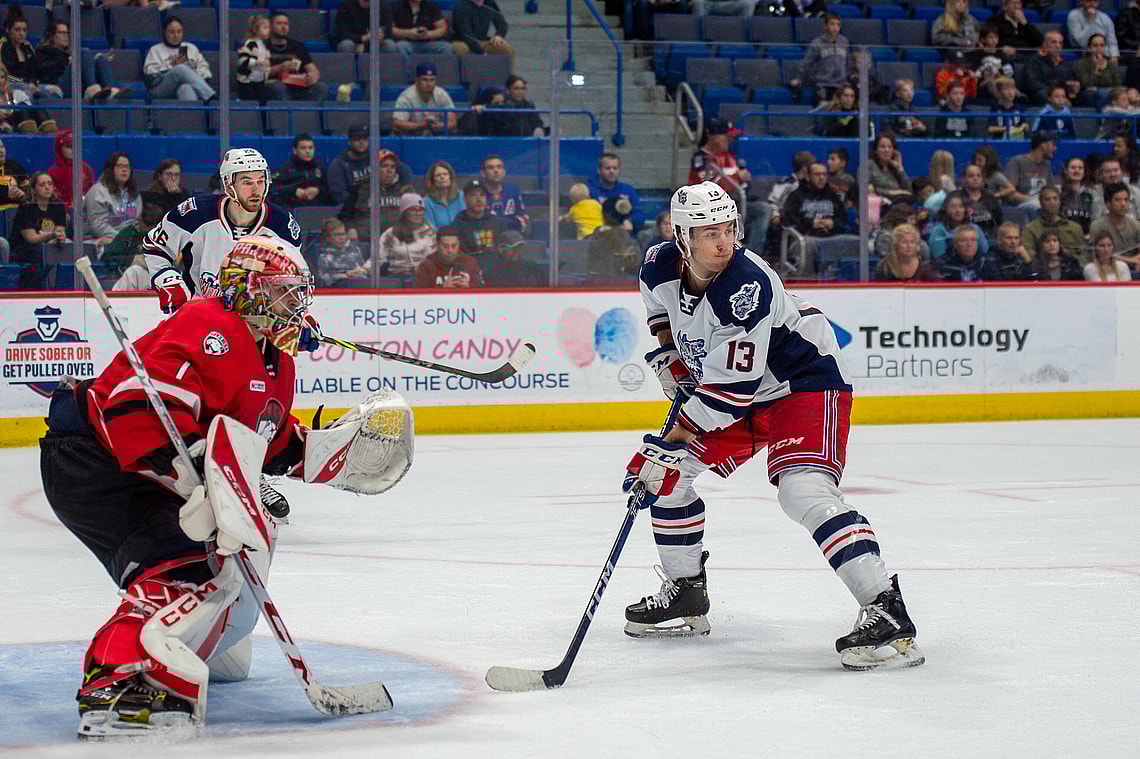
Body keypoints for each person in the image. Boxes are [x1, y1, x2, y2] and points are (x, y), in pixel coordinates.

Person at [40, 235, 411, 738]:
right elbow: (133, 404)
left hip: (144, 466)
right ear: (250, 290)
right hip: (99, 464)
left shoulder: (276, 362)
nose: (296, 304)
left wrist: (327, 456)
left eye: (297, 293)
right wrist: (184, 471)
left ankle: (196, 645)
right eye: (283, 292)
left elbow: (267, 440)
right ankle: (117, 682)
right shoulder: (207, 324)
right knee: (182, 572)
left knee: (231, 582)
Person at [624, 180, 923, 670]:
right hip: (738, 390)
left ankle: (886, 609)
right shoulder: (658, 264)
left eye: (728, 228)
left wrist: (674, 438)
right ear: (682, 237)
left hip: (801, 383)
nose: (723, 241)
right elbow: (661, 312)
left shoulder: (745, 285)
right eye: (708, 233)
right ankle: (685, 592)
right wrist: (670, 358)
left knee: (802, 492)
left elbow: (729, 394)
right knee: (667, 480)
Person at [142, 148, 303, 313]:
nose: (256, 190)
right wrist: (168, 280)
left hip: (256, 321)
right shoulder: (196, 213)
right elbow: (155, 246)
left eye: (261, 181)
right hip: (198, 315)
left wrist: (299, 319)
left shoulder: (282, 225)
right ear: (228, 184)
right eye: (247, 182)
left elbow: (293, 279)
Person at [10, 171, 66, 290]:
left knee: (68, 248)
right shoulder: (26, 207)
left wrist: (59, 237)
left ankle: (64, 287)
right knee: (40, 252)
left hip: (49, 244)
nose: (47, 187)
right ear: (34, 190)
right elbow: (31, 238)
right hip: (24, 248)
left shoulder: (58, 205)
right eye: (42, 184)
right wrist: (51, 236)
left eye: (50, 184)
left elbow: (60, 231)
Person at [338, 149, 409, 240]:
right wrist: (350, 229)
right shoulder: (360, 189)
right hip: (366, 242)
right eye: (384, 166)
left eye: (393, 167)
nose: (389, 170)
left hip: (395, 243)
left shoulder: (402, 190)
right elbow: (344, 216)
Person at [144, 17, 217, 102]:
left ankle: (190, 115)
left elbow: (206, 72)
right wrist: (172, 65)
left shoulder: (191, 48)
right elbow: (150, 74)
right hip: (162, 89)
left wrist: (190, 75)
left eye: (179, 32)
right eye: (171, 32)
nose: (176, 36)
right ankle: (212, 99)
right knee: (180, 68)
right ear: (164, 33)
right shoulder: (156, 49)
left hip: (189, 86)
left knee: (186, 88)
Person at [266, 12, 329, 102]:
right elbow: (258, 74)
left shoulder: (298, 46)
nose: (283, 26)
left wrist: (312, 76)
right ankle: (286, 115)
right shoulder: (263, 46)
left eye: (286, 24)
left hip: (298, 86)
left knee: (321, 87)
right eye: (279, 23)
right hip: (275, 86)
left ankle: (312, 115)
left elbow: (312, 69)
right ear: (271, 27)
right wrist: (279, 68)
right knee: (277, 87)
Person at [84, 152, 142, 244]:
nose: (124, 170)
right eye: (119, 166)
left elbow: (137, 222)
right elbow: (98, 226)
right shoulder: (98, 191)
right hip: (99, 240)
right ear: (110, 169)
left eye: (127, 166)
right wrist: (121, 238)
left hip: (127, 240)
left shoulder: (133, 192)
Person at [453, 180, 507, 274]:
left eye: (482, 195)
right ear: (465, 199)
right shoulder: (457, 225)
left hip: (498, 272)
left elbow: (505, 251)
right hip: (470, 273)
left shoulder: (498, 222)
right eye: (473, 195)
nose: (479, 199)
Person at [376, 193, 436, 277]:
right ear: (404, 212)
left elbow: (438, 258)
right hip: (398, 277)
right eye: (413, 210)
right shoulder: (390, 234)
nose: (417, 213)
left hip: (425, 278)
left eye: (421, 210)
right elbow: (377, 259)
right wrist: (362, 270)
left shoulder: (430, 232)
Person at [1021, 185, 1086, 261]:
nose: (1052, 202)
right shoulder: (1030, 229)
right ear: (1041, 203)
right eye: (1047, 199)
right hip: (1043, 269)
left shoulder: (1074, 227)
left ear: (1060, 201)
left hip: (1072, 269)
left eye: (1055, 199)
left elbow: (1084, 255)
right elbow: (1030, 256)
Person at [393, 62, 457, 136]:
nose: (429, 84)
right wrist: (423, 125)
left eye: (432, 80)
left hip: (435, 138)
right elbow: (397, 123)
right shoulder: (407, 97)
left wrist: (437, 125)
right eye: (424, 80)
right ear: (417, 80)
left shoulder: (441, 94)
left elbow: (453, 122)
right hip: (411, 139)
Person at [586, 196, 640, 282]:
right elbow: (633, 262)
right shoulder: (624, 237)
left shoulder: (596, 235)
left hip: (598, 284)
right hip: (618, 284)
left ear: (604, 214)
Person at [103, 204, 166, 278]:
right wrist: (133, 259)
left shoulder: (163, 236)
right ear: (139, 219)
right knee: (136, 270)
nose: (150, 232)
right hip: (129, 275)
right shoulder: (128, 234)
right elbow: (107, 257)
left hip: (157, 276)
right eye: (147, 228)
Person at [589, 152, 645, 233]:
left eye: (615, 168)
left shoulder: (628, 189)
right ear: (599, 170)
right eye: (607, 168)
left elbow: (640, 214)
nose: (612, 171)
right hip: (600, 236)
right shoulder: (591, 191)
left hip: (625, 237)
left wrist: (629, 220)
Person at [414, 224, 484, 288]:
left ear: (458, 244)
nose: (450, 250)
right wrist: (443, 289)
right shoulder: (426, 267)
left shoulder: (470, 262)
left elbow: (483, 291)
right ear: (437, 245)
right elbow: (420, 298)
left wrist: (469, 287)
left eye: (454, 246)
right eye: (445, 246)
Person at [271, 134, 329, 209]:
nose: (308, 151)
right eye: (303, 148)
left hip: (316, 208)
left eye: (310, 148)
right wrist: (294, 191)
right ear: (295, 150)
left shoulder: (319, 167)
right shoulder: (286, 167)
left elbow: (330, 188)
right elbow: (274, 186)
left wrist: (317, 190)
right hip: (292, 207)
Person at [1021, 30, 1077, 107]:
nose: (1057, 46)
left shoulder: (1065, 64)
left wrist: (1074, 86)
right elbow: (1032, 84)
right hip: (1042, 95)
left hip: (1060, 96)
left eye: (1060, 43)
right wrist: (1055, 94)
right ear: (1044, 45)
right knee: (1042, 94)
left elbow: (1069, 83)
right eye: (1053, 42)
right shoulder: (1034, 61)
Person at [451, 0, 514, 64]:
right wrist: (482, 54)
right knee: (461, 48)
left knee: (505, 48)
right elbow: (465, 34)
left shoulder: (490, 4)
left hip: (482, 41)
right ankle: (463, 73)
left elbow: (502, 24)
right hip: (462, 41)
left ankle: (509, 73)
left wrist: (499, 36)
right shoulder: (461, 6)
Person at [950, 163, 1003, 239]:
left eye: (979, 176)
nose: (975, 179)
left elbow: (999, 222)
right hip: (963, 238)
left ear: (982, 179)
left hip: (989, 237)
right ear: (964, 178)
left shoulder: (990, 197)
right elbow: (948, 223)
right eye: (971, 176)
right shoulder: (955, 197)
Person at [1005, 131, 1057, 208]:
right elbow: (1009, 193)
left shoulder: (1047, 165)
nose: (1054, 148)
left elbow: (1051, 190)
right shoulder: (1017, 162)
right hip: (1022, 206)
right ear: (1043, 146)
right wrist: (1034, 200)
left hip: (1043, 203)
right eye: (1053, 145)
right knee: (1037, 205)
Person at [929, 195, 990, 260]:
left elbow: (984, 251)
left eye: (961, 206)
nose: (958, 210)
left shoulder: (975, 228)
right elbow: (940, 259)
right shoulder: (939, 231)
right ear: (946, 210)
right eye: (953, 207)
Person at [46, 128, 93, 210]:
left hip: (86, 211)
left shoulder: (85, 168)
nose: (73, 149)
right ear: (60, 148)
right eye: (68, 146)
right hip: (63, 213)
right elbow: (54, 199)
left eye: (75, 146)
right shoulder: (53, 172)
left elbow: (92, 192)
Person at [874, 223, 939, 282]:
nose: (909, 246)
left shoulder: (926, 269)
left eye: (912, 242)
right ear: (896, 244)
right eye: (904, 242)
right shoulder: (884, 267)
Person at [315, 217, 370, 287]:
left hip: (360, 283)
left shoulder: (355, 249)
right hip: (339, 289)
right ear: (328, 238)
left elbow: (362, 268)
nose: (342, 238)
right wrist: (343, 276)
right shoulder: (324, 257)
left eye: (343, 234)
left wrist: (360, 271)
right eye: (337, 235)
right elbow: (323, 278)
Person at [1089, 182, 1140, 255]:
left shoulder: (1136, 226)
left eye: (1126, 199)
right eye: (1118, 200)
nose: (1123, 204)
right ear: (1107, 204)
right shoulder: (1098, 226)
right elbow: (1097, 256)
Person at [0, 61, 51, 134]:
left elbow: (29, 110)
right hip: (5, 126)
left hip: (17, 123)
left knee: (35, 108)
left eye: (2, 77)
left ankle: (51, 136)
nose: (0, 81)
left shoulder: (17, 94)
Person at [481, 154, 528, 232]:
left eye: (499, 167)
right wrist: (510, 222)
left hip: (511, 238)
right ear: (483, 173)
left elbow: (523, 220)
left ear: (504, 172)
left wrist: (497, 221)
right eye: (491, 168)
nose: (496, 171)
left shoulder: (513, 190)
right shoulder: (477, 193)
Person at [1075, 33, 1121, 109]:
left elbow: (1118, 84)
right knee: (1102, 93)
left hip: (1110, 94)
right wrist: (1097, 70)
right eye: (1095, 45)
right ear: (1089, 48)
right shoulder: (1081, 64)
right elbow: (1086, 84)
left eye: (1102, 45)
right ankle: (1103, 119)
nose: (1099, 48)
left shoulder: (1111, 65)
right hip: (1088, 95)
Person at [236, 14, 274, 106]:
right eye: (265, 28)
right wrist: (258, 62)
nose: (268, 30)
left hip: (259, 80)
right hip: (248, 81)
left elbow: (266, 59)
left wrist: (268, 65)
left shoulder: (264, 45)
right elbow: (242, 60)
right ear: (256, 29)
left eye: (269, 27)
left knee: (263, 102)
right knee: (250, 103)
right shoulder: (250, 43)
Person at [333, 0, 397, 54]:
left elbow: (388, 31)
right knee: (346, 45)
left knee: (389, 45)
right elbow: (341, 33)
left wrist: (380, 37)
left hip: (377, 43)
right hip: (355, 42)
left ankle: (388, 69)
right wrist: (362, 39)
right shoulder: (345, 5)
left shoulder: (384, 5)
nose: (367, 4)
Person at [867, 134, 911, 205]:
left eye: (890, 147)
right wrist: (891, 192)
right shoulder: (869, 165)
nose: (886, 150)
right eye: (882, 147)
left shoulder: (894, 168)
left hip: (900, 205)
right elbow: (864, 187)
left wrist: (900, 168)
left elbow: (909, 190)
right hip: (879, 205)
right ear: (875, 150)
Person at [423, 160, 465, 229]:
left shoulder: (462, 196)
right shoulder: (427, 202)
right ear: (432, 180)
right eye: (437, 175)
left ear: (451, 177)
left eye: (445, 174)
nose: (442, 177)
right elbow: (431, 228)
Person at [1059, 156, 1095, 232]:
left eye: (1080, 168)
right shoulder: (1058, 192)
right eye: (1073, 168)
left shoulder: (1093, 193)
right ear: (1065, 171)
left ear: (1085, 172)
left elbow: (1096, 219)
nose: (1077, 171)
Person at [0, 136, 27, 209]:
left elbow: (27, 183)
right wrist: (5, 192)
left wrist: (24, 193)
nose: (1, 151)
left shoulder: (13, 166)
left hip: (15, 212)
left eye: (2, 147)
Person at [690, 0, 758, 17]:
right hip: (709, 2)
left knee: (748, 4)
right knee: (698, 2)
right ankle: (700, 41)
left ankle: (743, 40)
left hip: (732, 3)